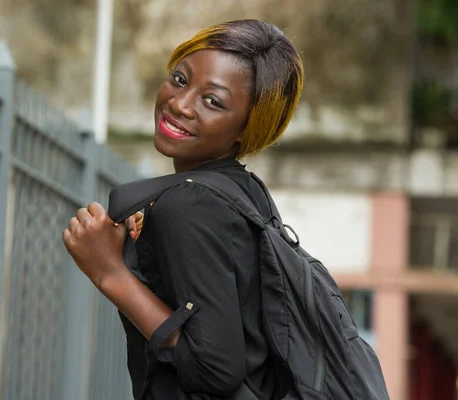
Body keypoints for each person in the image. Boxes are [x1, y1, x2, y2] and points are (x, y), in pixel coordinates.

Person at [62, 19, 304, 399]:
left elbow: (217, 370)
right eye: (179, 79)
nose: (179, 104)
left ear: (247, 126)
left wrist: (109, 272)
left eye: (212, 101)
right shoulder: (246, 192)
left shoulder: (189, 204)